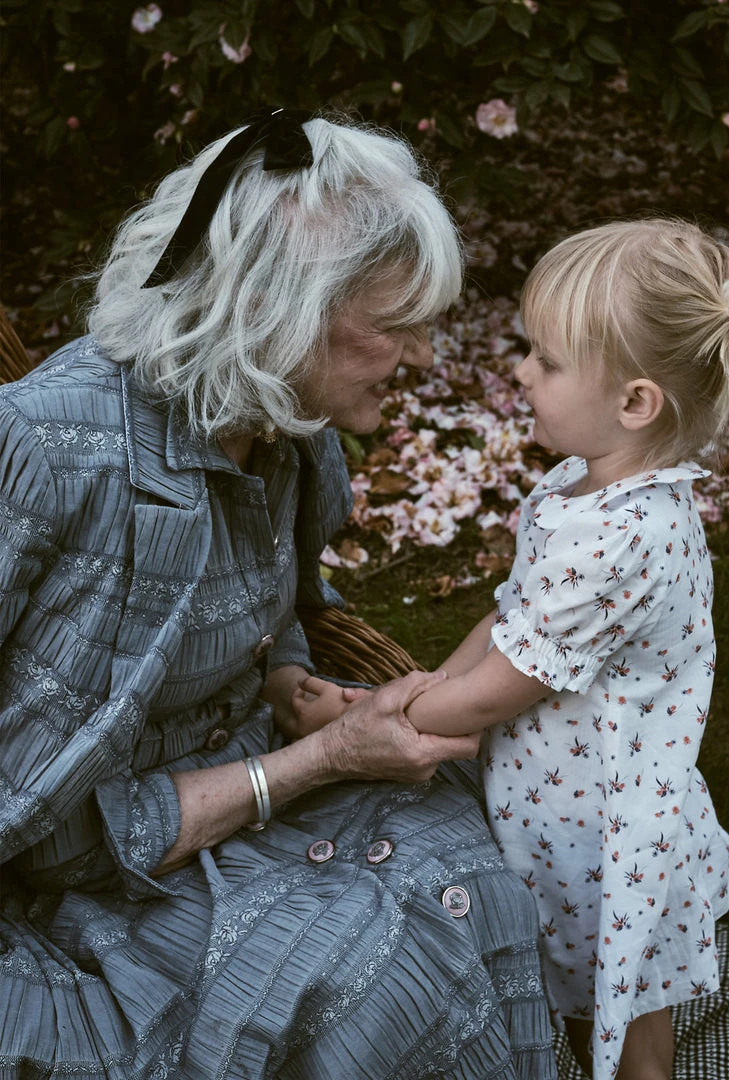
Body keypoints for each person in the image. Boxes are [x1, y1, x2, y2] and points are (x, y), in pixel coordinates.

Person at [0, 109, 557, 1079]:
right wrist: (323, 757)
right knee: (367, 991)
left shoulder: (288, 430)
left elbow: (289, 598)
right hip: (78, 880)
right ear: (274, 312)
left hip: (240, 804)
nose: (424, 358)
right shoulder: (46, 453)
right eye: (395, 327)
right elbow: (39, 819)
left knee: (490, 869)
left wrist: (290, 682)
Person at [293, 218, 729, 1080]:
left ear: (634, 402)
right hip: (561, 827)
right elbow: (510, 620)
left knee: (631, 1041)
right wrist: (425, 679)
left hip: (611, 846)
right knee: (568, 1013)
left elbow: (500, 691)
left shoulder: (621, 541)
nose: (520, 371)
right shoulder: (585, 490)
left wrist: (378, 713)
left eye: (546, 361)